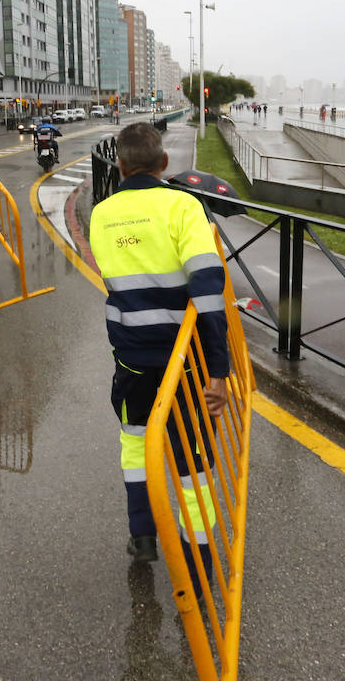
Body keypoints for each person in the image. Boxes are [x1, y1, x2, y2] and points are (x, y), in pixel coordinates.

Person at [88, 122, 230, 574]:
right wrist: (219, 371)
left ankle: (143, 536)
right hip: (183, 363)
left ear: (121, 165)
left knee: (135, 446)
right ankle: (198, 554)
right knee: (193, 460)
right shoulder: (183, 206)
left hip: (131, 358)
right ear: (164, 163)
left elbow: (117, 279)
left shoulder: (102, 214)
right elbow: (208, 292)